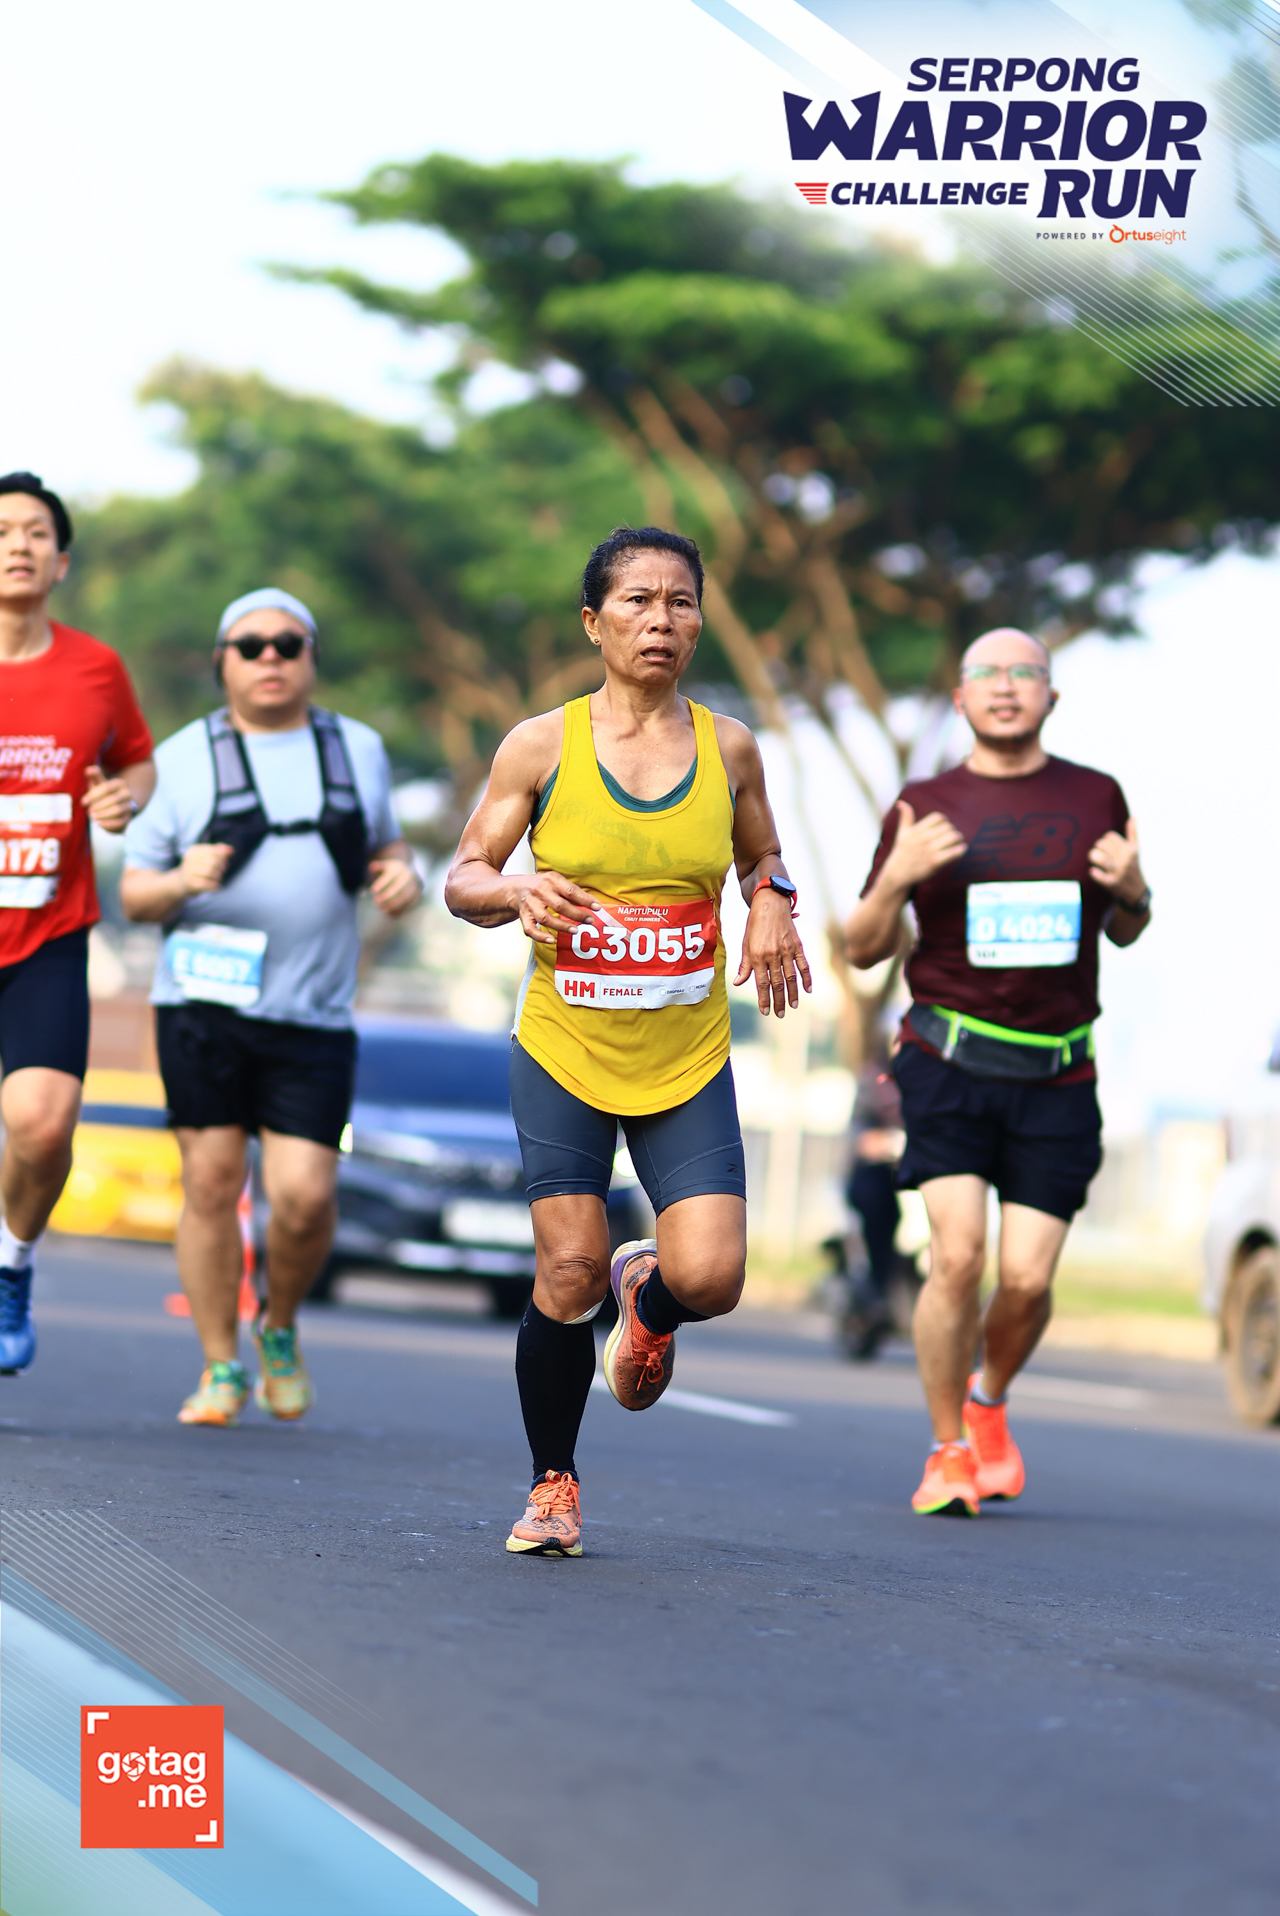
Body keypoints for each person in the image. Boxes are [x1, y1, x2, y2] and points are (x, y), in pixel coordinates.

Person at [446, 526, 811, 1557]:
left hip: (683, 1055)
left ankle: (648, 1294)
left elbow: (763, 854)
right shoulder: (539, 745)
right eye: (638, 601)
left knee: (714, 1278)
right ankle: (552, 1484)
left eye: (680, 601)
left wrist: (771, 900)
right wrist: (514, 889)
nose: (660, 620)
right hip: (565, 1045)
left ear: (699, 622)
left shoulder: (729, 746)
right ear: (593, 621)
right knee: (568, 1267)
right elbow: (463, 876)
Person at [845, 627, 1151, 1516]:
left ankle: (988, 1403)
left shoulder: (1096, 795)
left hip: (1059, 1071)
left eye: (1025, 673)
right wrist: (895, 878)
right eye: (987, 673)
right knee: (958, 1257)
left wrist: (1135, 891)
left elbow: (1126, 928)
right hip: (947, 1061)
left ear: (1051, 695)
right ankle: (947, 1452)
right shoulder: (924, 803)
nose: (1007, 686)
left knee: (1026, 1280)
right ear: (961, 699)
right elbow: (862, 949)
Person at [121, 588, 422, 1427]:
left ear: (311, 657)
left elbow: (388, 847)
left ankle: (278, 1325)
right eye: (249, 645)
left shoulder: (356, 748)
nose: (269, 659)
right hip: (202, 1008)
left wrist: (400, 876)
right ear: (221, 660)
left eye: (288, 644)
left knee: (307, 1197)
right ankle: (220, 1364)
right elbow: (136, 893)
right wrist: (181, 881)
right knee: (211, 1182)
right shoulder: (181, 758)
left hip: (313, 1014)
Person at [0, 473, 156, 1373]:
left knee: (44, 1123)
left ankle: (11, 1264)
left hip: (47, 935)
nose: (17, 545)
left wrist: (121, 801)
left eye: (34, 532)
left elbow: (136, 763)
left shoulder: (96, 668)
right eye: (2, 531)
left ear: (60, 562)